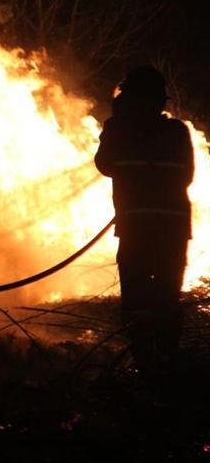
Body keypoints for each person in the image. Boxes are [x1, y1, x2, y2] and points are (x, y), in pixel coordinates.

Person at [95, 65, 193, 376]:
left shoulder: (120, 130)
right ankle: (165, 361)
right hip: (173, 227)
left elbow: (104, 165)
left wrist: (115, 123)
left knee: (137, 297)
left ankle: (143, 363)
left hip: (137, 227)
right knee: (166, 294)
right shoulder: (177, 131)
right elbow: (186, 176)